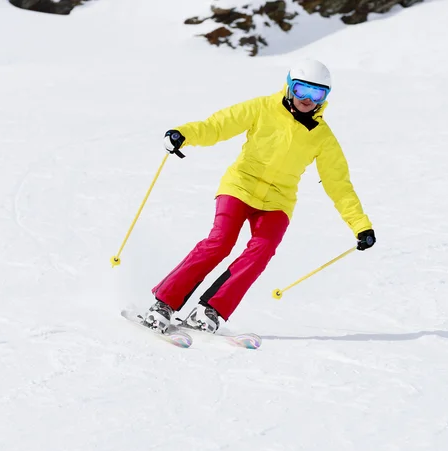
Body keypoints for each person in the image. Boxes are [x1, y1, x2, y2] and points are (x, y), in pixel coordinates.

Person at [143, 58, 376, 334]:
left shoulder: (323, 137)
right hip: (240, 186)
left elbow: (339, 184)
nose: (308, 99)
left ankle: (210, 311)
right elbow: (219, 125)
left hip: (278, 201)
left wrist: (361, 226)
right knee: (220, 242)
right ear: (290, 87)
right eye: (302, 90)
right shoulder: (262, 107)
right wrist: (183, 134)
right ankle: (164, 304)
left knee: (261, 251)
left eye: (317, 94)